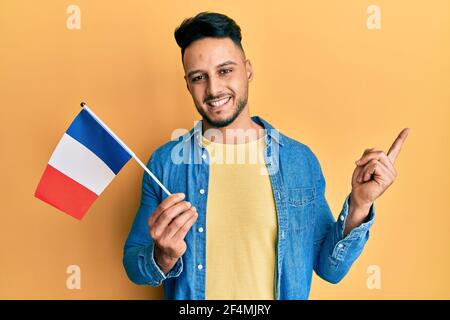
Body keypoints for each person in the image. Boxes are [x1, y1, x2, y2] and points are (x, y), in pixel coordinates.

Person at [123, 12, 409, 300]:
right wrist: (162, 256)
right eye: (199, 77)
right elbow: (134, 266)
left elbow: (329, 269)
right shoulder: (165, 163)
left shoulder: (299, 161)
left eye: (225, 71)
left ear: (248, 70)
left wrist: (360, 204)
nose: (213, 89)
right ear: (187, 84)